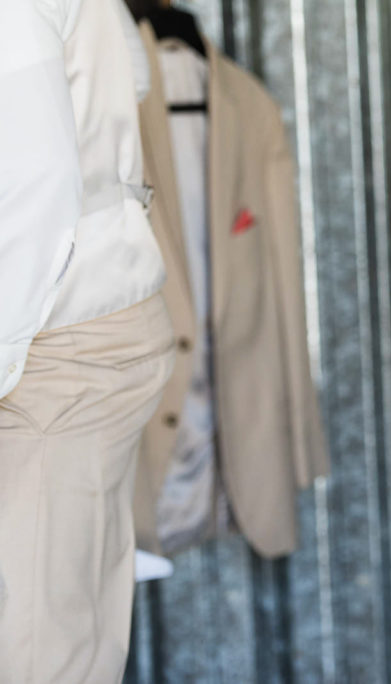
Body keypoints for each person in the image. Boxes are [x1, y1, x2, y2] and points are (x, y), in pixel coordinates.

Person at [0, 0, 174, 681]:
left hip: (50, 340)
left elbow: (31, 193)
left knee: (40, 647)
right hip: (74, 326)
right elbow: (132, 74)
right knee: (65, 629)